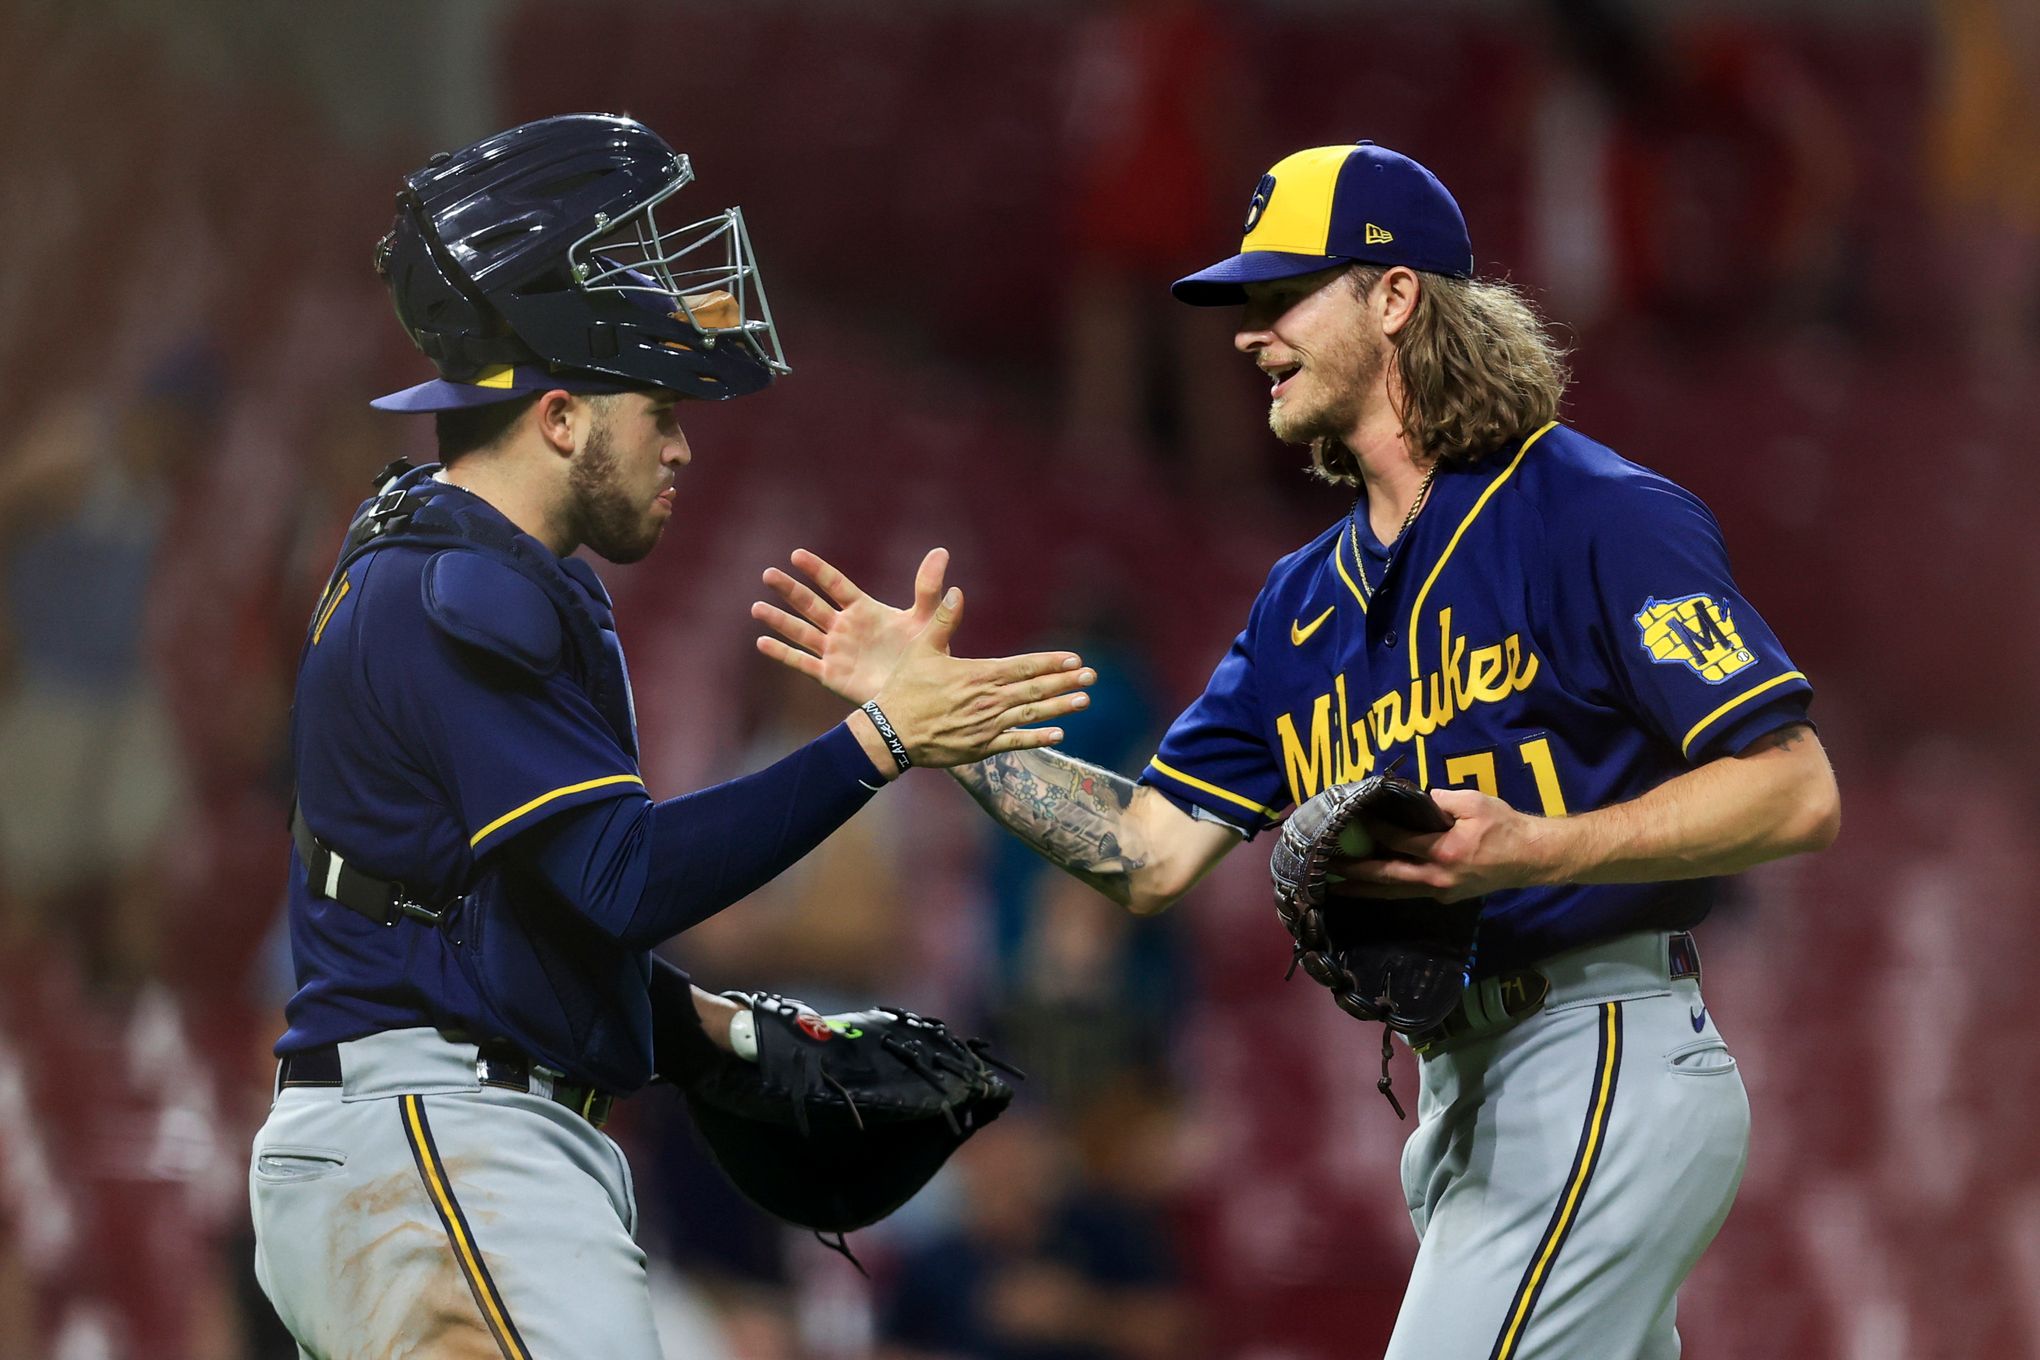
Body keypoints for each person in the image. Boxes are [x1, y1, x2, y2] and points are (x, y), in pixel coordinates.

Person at [756, 140, 1841, 1359]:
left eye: (1282, 297)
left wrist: (1549, 845)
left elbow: (1796, 787)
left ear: (1393, 296)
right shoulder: (1299, 606)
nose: (1249, 333)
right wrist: (935, 726)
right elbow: (1146, 851)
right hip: (1463, 1096)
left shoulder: (1588, 513)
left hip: (1595, 1053)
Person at [247, 114, 1090, 1360]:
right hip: (443, 1141)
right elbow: (623, 876)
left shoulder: (472, 568)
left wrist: (712, 1033)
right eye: (656, 406)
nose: (684, 441)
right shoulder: (457, 588)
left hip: (444, 1143)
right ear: (558, 414)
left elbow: (519, 913)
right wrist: (880, 737)